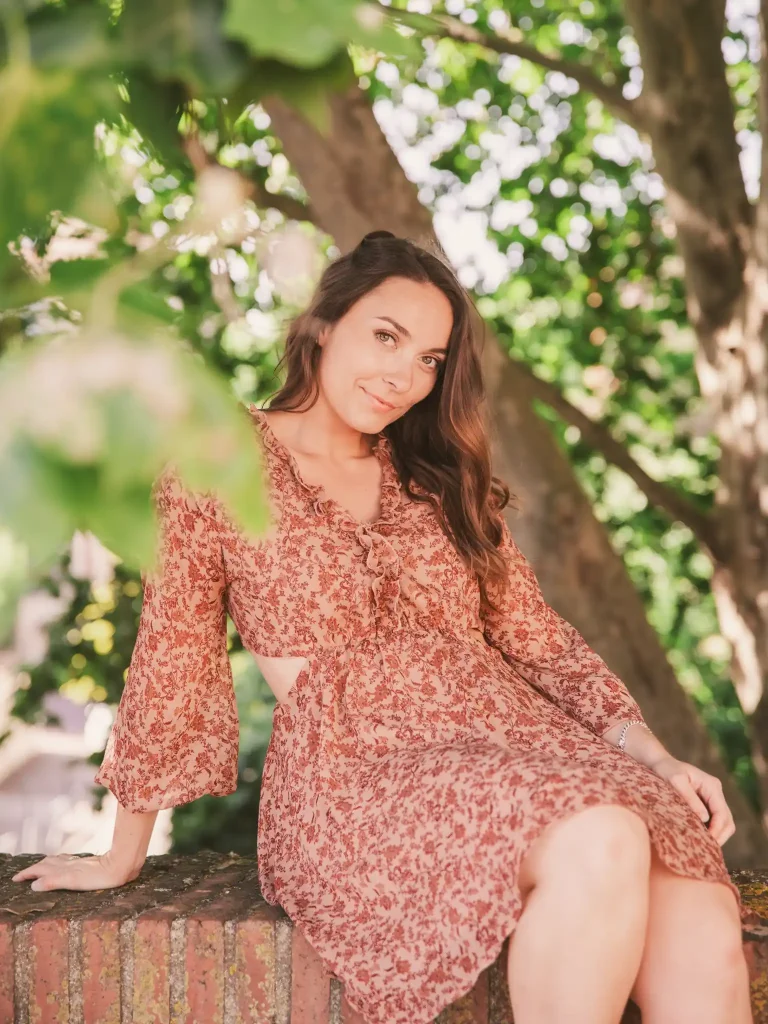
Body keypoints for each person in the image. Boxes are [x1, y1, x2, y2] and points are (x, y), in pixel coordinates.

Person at [13, 231, 752, 1024]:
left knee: (697, 896)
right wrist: (123, 852)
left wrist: (654, 755)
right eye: (386, 337)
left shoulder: (438, 476)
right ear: (323, 324)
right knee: (604, 835)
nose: (405, 376)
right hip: (357, 774)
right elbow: (174, 656)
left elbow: (541, 642)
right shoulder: (214, 464)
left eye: (430, 359)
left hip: (523, 747)